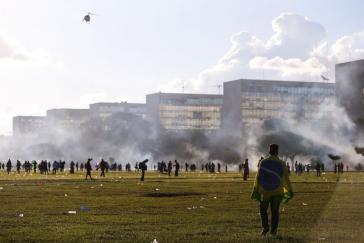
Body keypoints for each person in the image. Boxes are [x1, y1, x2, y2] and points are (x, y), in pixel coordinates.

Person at [251, 144, 293, 237]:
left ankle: (265, 227)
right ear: (277, 151)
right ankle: (273, 231)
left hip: (266, 191)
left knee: (263, 210)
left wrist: (256, 189)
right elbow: (285, 178)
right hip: (277, 191)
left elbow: (259, 177)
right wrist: (289, 190)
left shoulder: (263, 162)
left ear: (269, 151)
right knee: (275, 211)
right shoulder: (281, 163)